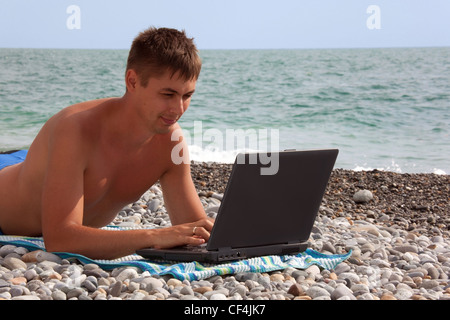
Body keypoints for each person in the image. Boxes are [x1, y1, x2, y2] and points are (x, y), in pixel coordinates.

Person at [0, 27, 214, 260]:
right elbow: (59, 239)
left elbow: (193, 230)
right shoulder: (75, 129)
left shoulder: (171, 143)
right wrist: (154, 236)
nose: (179, 109)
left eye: (187, 96)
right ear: (132, 81)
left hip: (34, 162)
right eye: (167, 95)